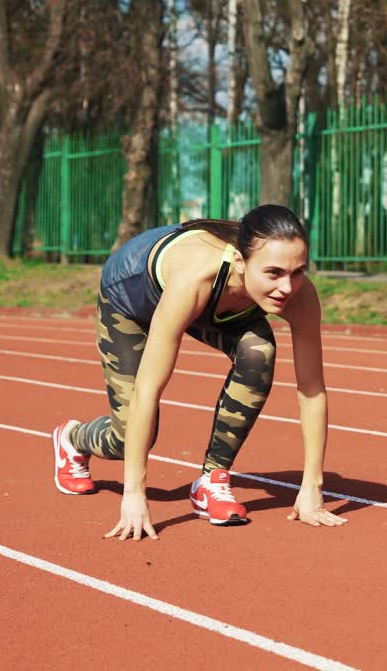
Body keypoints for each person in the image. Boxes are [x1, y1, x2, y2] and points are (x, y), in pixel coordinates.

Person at [51, 204, 348, 540]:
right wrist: (135, 495)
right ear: (240, 262)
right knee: (131, 436)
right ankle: (72, 438)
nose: (287, 287)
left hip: (218, 303)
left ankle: (212, 480)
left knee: (259, 350)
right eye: (274, 273)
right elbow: (148, 390)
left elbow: (311, 390)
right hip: (130, 300)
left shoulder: (299, 294)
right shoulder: (194, 279)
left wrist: (312, 488)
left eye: (298, 271)